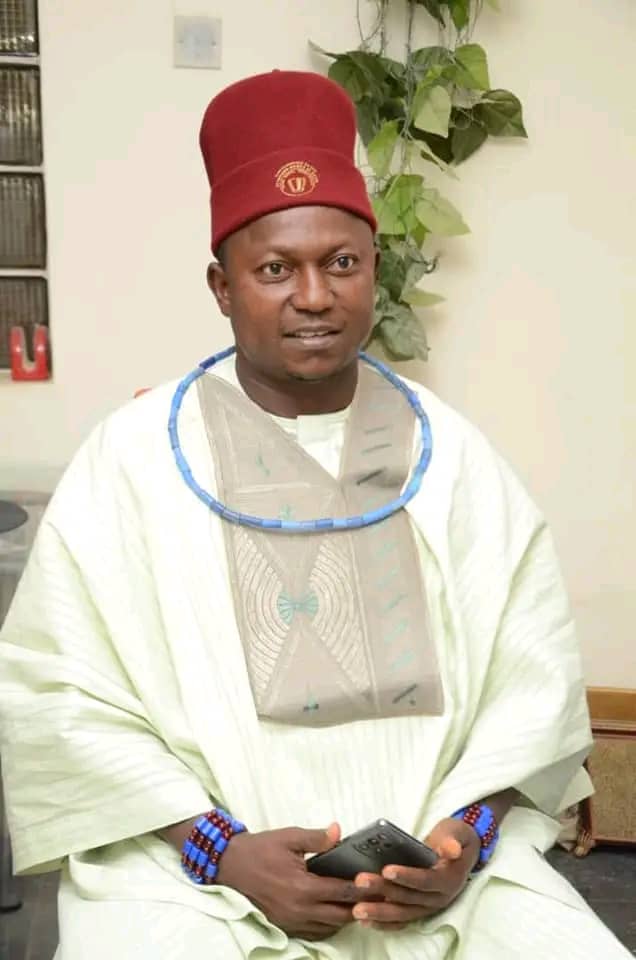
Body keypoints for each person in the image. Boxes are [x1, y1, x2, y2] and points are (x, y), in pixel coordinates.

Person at [0, 70, 629, 960]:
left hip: (443, 886)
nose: (314, 295)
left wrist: (465, 841)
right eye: (275, 269)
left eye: (341, 263)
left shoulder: (453, 457)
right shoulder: (133, 461)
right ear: (221, 287)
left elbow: (533, 684)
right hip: (192, 881)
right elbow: (59, 693)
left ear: (374, 270)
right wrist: (220, 852)